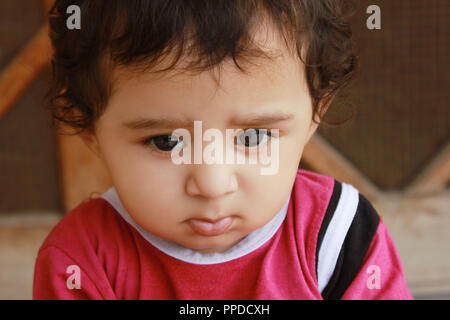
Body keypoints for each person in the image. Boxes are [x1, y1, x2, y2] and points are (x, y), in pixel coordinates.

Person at [33, 0, 413, 299]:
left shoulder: (338, 236)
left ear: (317, 110)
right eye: (167, 142)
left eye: (252, 138)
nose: (213, 185)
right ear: (89, 129)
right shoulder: (83, 261)